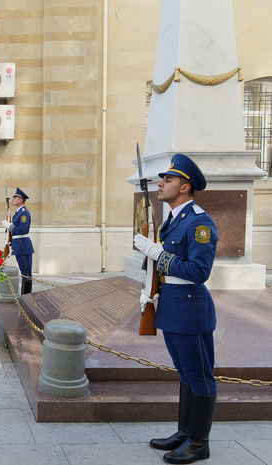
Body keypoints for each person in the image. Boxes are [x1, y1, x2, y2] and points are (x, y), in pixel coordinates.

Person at [134, 153, 218, 465]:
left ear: (185, 187)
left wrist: (158, 253)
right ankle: (185, 432)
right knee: (185, 374)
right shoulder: (173, 220)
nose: (161, 183)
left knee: (200, 377)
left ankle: (199, 442)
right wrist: (151, 288)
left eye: (168, 179)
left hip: (190, 309)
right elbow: (164, 266)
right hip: (170, 304)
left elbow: (198, 271)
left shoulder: (199, 222)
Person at [3, 188, 34, 295]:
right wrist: (9, 240)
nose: (12, 199)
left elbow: (23, 230)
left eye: (15, 197)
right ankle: (24, 297)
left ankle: (27, 297)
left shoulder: (24, 213)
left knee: (26, 274)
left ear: (21, 200)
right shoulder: (18, 213)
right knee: (24, 272)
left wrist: (10, 226)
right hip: (19, 245)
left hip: (23, 246)